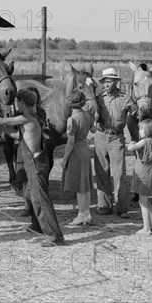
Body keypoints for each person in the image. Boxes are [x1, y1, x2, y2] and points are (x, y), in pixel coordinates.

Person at [0, 89, 65, 247]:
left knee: (41, 200)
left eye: (17, 101)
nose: (15, 103)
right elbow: (17, 136)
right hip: (34, 165)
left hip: (36, 166)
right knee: (35, 199)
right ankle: (43, 229)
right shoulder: (32, 118)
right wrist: (2, 129)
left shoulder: (27, 118)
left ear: (22, 102)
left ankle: (56, 236)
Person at [93, 67, 133, 218]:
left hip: (117, 138)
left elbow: (136, 114)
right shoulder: (99, 97)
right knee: (101, 171)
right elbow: (91, 112)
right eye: (105, 81)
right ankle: (104, 205)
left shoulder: (125, 98)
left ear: (116, 82)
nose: (107, 84)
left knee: (119, 173)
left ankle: (122, 208)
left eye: (110, 81)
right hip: (101, 135)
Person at [61, 90, 96, 226]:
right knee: (85, 185)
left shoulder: (72, 119)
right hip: (85, 148)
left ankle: (81, 214)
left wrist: (64, 159)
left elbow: (70, 141)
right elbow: (93, 130)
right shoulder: (86, 115)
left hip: (76, 150)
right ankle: (87, 213)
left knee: (79, 186)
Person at [127, 119, 152, 235]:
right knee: (146, 201)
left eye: (142, 129)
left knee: (142, 201)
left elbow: (131, 148)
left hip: (144, 175)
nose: (139, 131)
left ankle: (146, 228)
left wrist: (131, 143)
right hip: (151, 173)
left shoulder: (145, 142)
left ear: (149, 131)